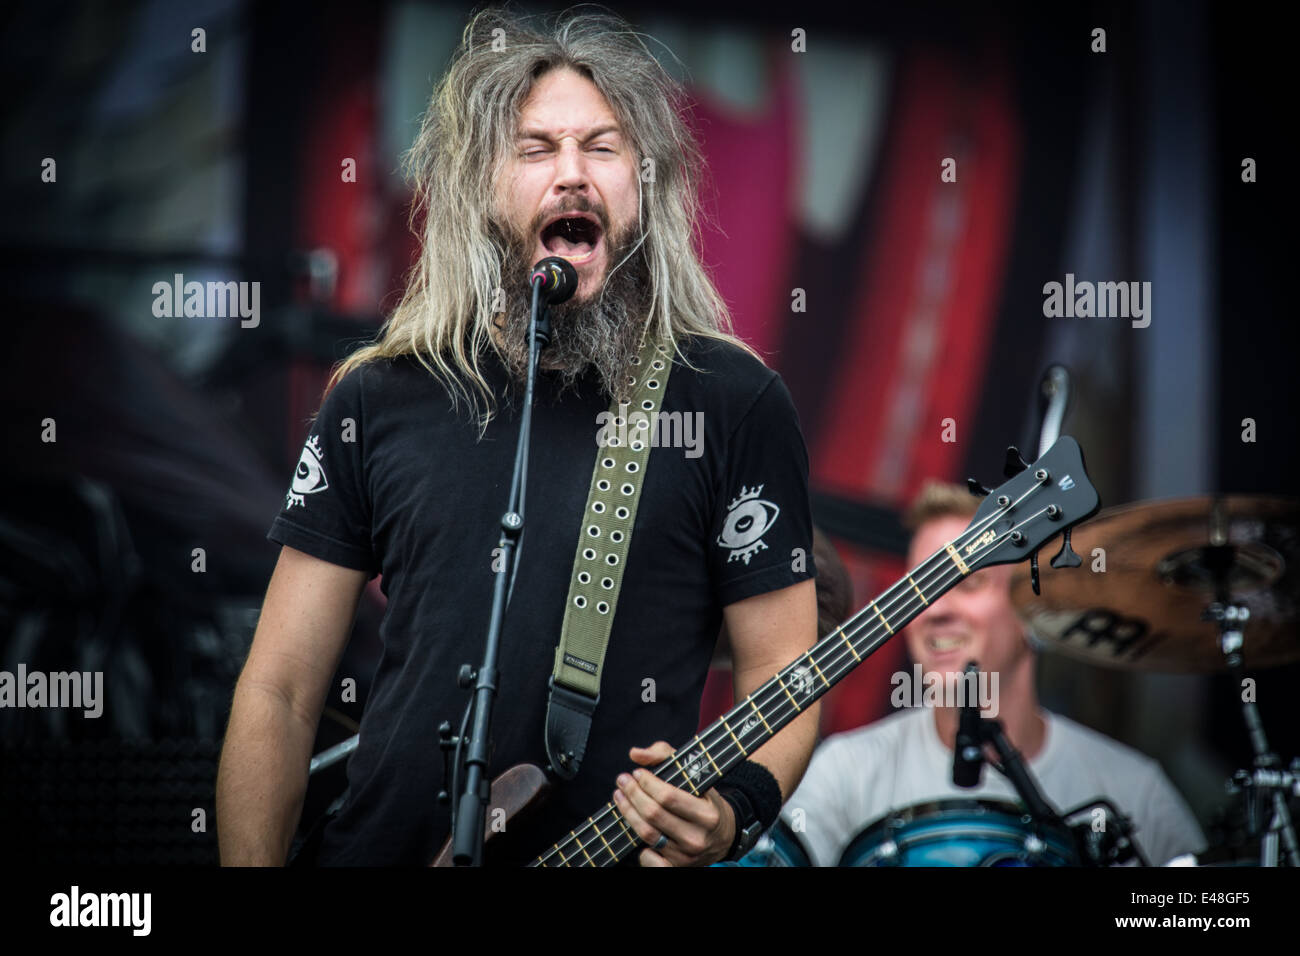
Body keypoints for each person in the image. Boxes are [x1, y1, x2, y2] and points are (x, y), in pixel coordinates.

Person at [216, 8, 820, 867]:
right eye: (535, 150)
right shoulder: (378, 395)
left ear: (645, 184)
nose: (572, 176)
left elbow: (785, 673)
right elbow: (277, 691)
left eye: (603, 149)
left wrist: (733, 814)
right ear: (479, 190)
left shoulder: (730, 401)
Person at [781, 480, 1206, 867]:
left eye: (968, 584)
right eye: (917, 592)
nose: (936, 611)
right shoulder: (844, 772)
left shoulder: (1135, 792)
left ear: (1030, 612)